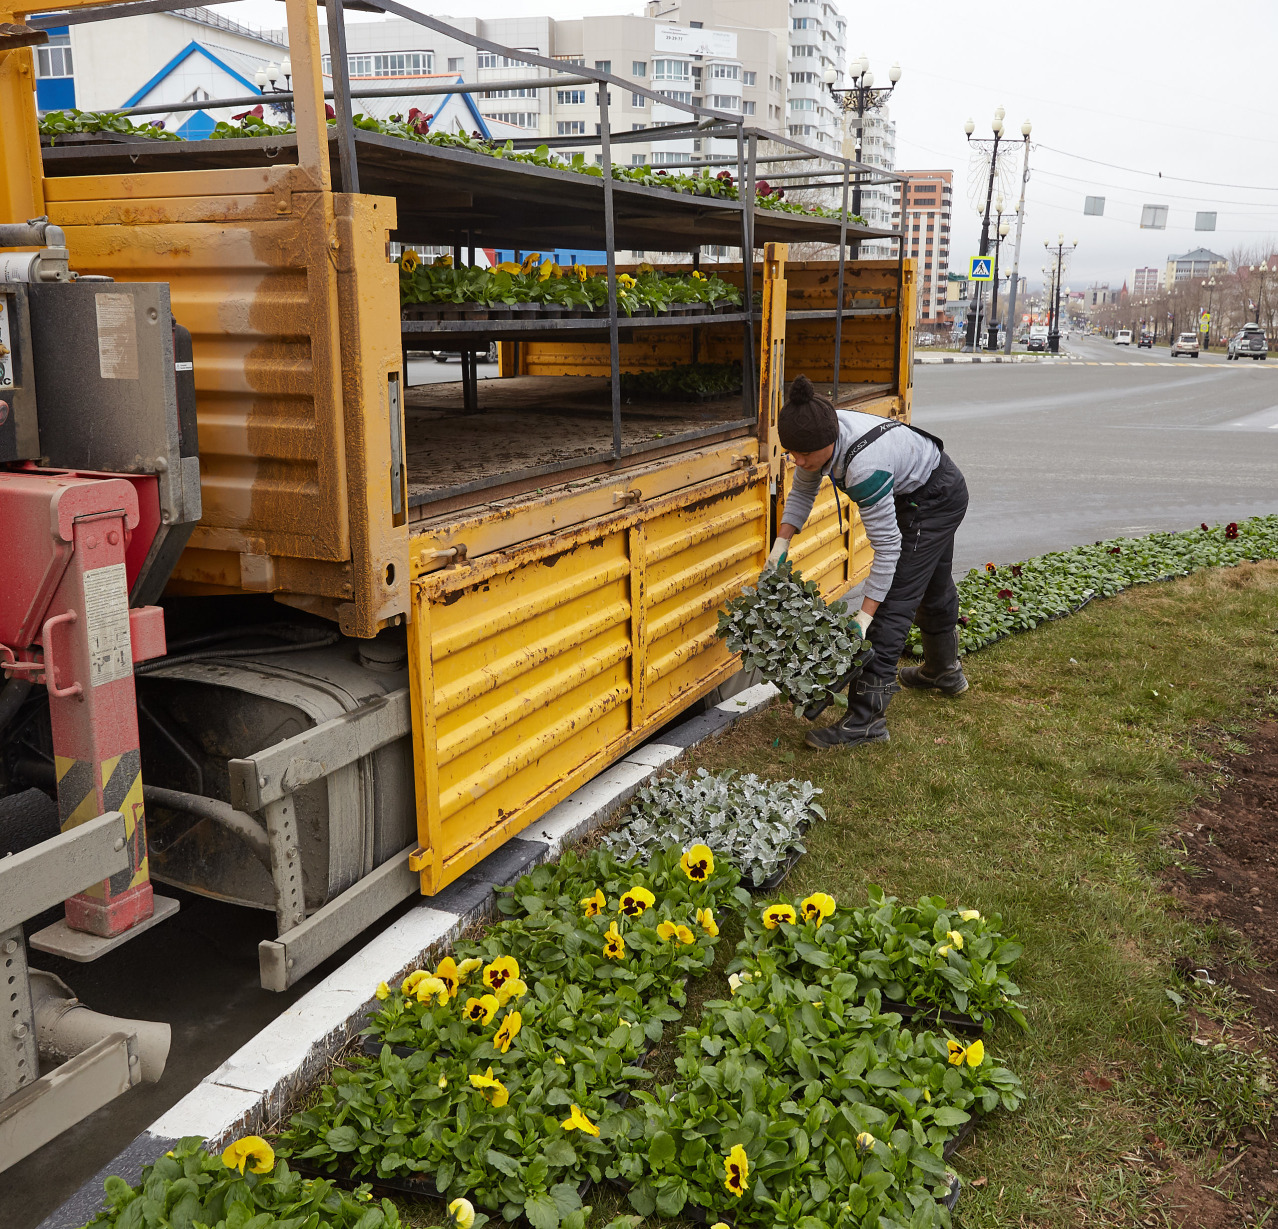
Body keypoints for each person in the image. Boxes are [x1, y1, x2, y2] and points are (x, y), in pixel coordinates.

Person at [765, 375, 970, 750]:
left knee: (893, 603)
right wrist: (781, 543)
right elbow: (802, 491)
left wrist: (864, 617)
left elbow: (888, 550)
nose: (798, 461)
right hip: (930, 487)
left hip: (933, 500)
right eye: (791, 453)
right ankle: (944, 672)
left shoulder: (864, 467)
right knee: (932, 586)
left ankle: (866, 722)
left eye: (803, 455)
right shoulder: (820, 429)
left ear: (827, 444)